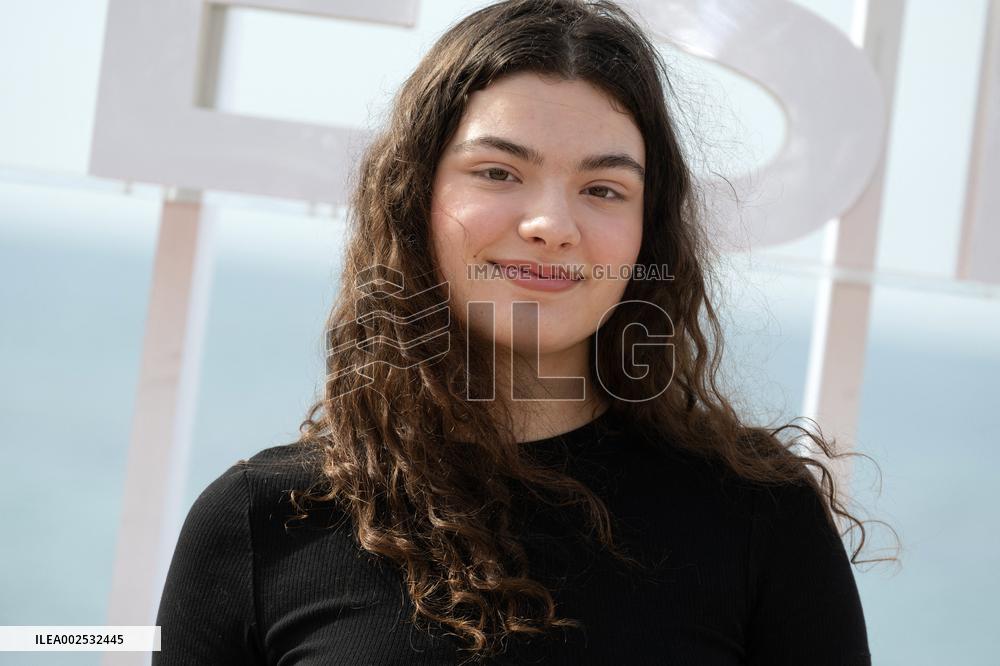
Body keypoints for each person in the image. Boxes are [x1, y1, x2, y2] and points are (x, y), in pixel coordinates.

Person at [154, 1, 895, 663]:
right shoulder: (260, 522)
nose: (550, 226)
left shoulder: (760, 521)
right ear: (416, 200)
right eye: (499, 173)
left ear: (648, 235)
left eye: (603, 189)